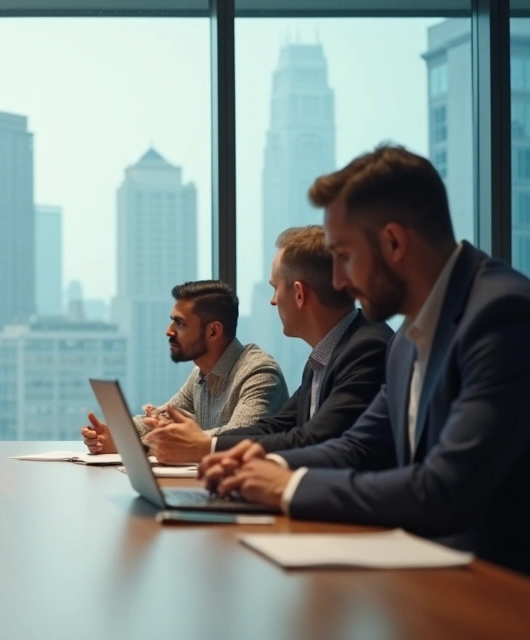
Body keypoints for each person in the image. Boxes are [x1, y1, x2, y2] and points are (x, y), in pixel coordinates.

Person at [201, 144, 530, 575]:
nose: (338, 281)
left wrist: (290, 487)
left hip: (497, 587)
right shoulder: (407, 339)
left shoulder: (501, 315)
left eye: (344, 256)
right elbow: (357, 445)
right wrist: (264, 466)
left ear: (393, 242)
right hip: (426, 575)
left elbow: (445, 489)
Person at [134, 226, 392, 463]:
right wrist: (200, 442)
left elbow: (315, 439)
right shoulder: (325, 356)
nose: (273, 301)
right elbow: (276, 426)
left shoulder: (366, 349)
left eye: (275, 288)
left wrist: (204, 446)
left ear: (299, 294)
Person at [82, 280, 288, 454]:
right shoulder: (201, 374)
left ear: (213, 331)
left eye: (180, 323)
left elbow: (237, 438)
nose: (168, 331)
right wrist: (115, 434)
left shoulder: (260, 374)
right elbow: (160, 418)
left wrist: (141, 444)